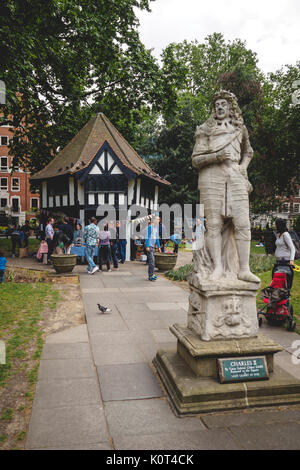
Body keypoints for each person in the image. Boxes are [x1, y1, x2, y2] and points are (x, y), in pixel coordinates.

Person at [192, 90, 259, 283]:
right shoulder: (205, 129)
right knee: (213, 224)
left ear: (231, 108)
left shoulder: (240, 129)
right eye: (217, 104)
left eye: (224, 104)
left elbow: (249, 152)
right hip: (211, 177)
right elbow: (195, 159)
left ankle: (244, 269)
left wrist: (242, 168)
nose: (220, 107)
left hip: (235, 176)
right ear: (213, 109)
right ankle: (218, 268)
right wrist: (216, 157)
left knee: (243, 223)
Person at [145, 215, 161, 281]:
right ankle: (151, 275)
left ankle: (151, 274)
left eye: (159, 219)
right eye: (157, 219)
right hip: (149, 246)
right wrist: (147, 246)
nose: (158, 220)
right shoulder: (150, 227)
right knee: (152, 261)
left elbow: (157, 238)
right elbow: (147, 237)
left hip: (153, 247)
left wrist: (159, 247)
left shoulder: (156, 228)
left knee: (152, 261)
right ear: (154, 220)